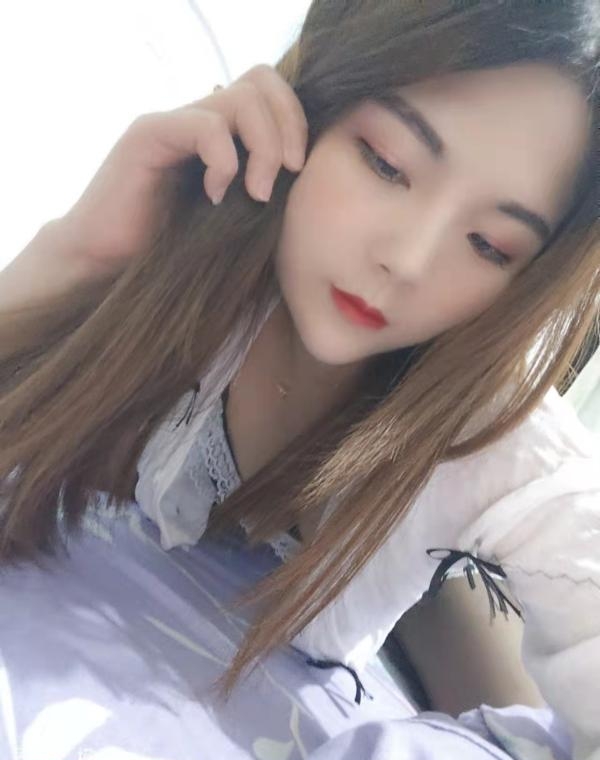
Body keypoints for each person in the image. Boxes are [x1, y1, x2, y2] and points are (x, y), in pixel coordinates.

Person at [1, 1, 599, 759]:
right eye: (386, 163)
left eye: (490, 244)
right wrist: (75, 256)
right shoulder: (185, 237)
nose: (407, 260)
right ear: (313, 101)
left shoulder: (504, 438)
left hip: (431, 552)